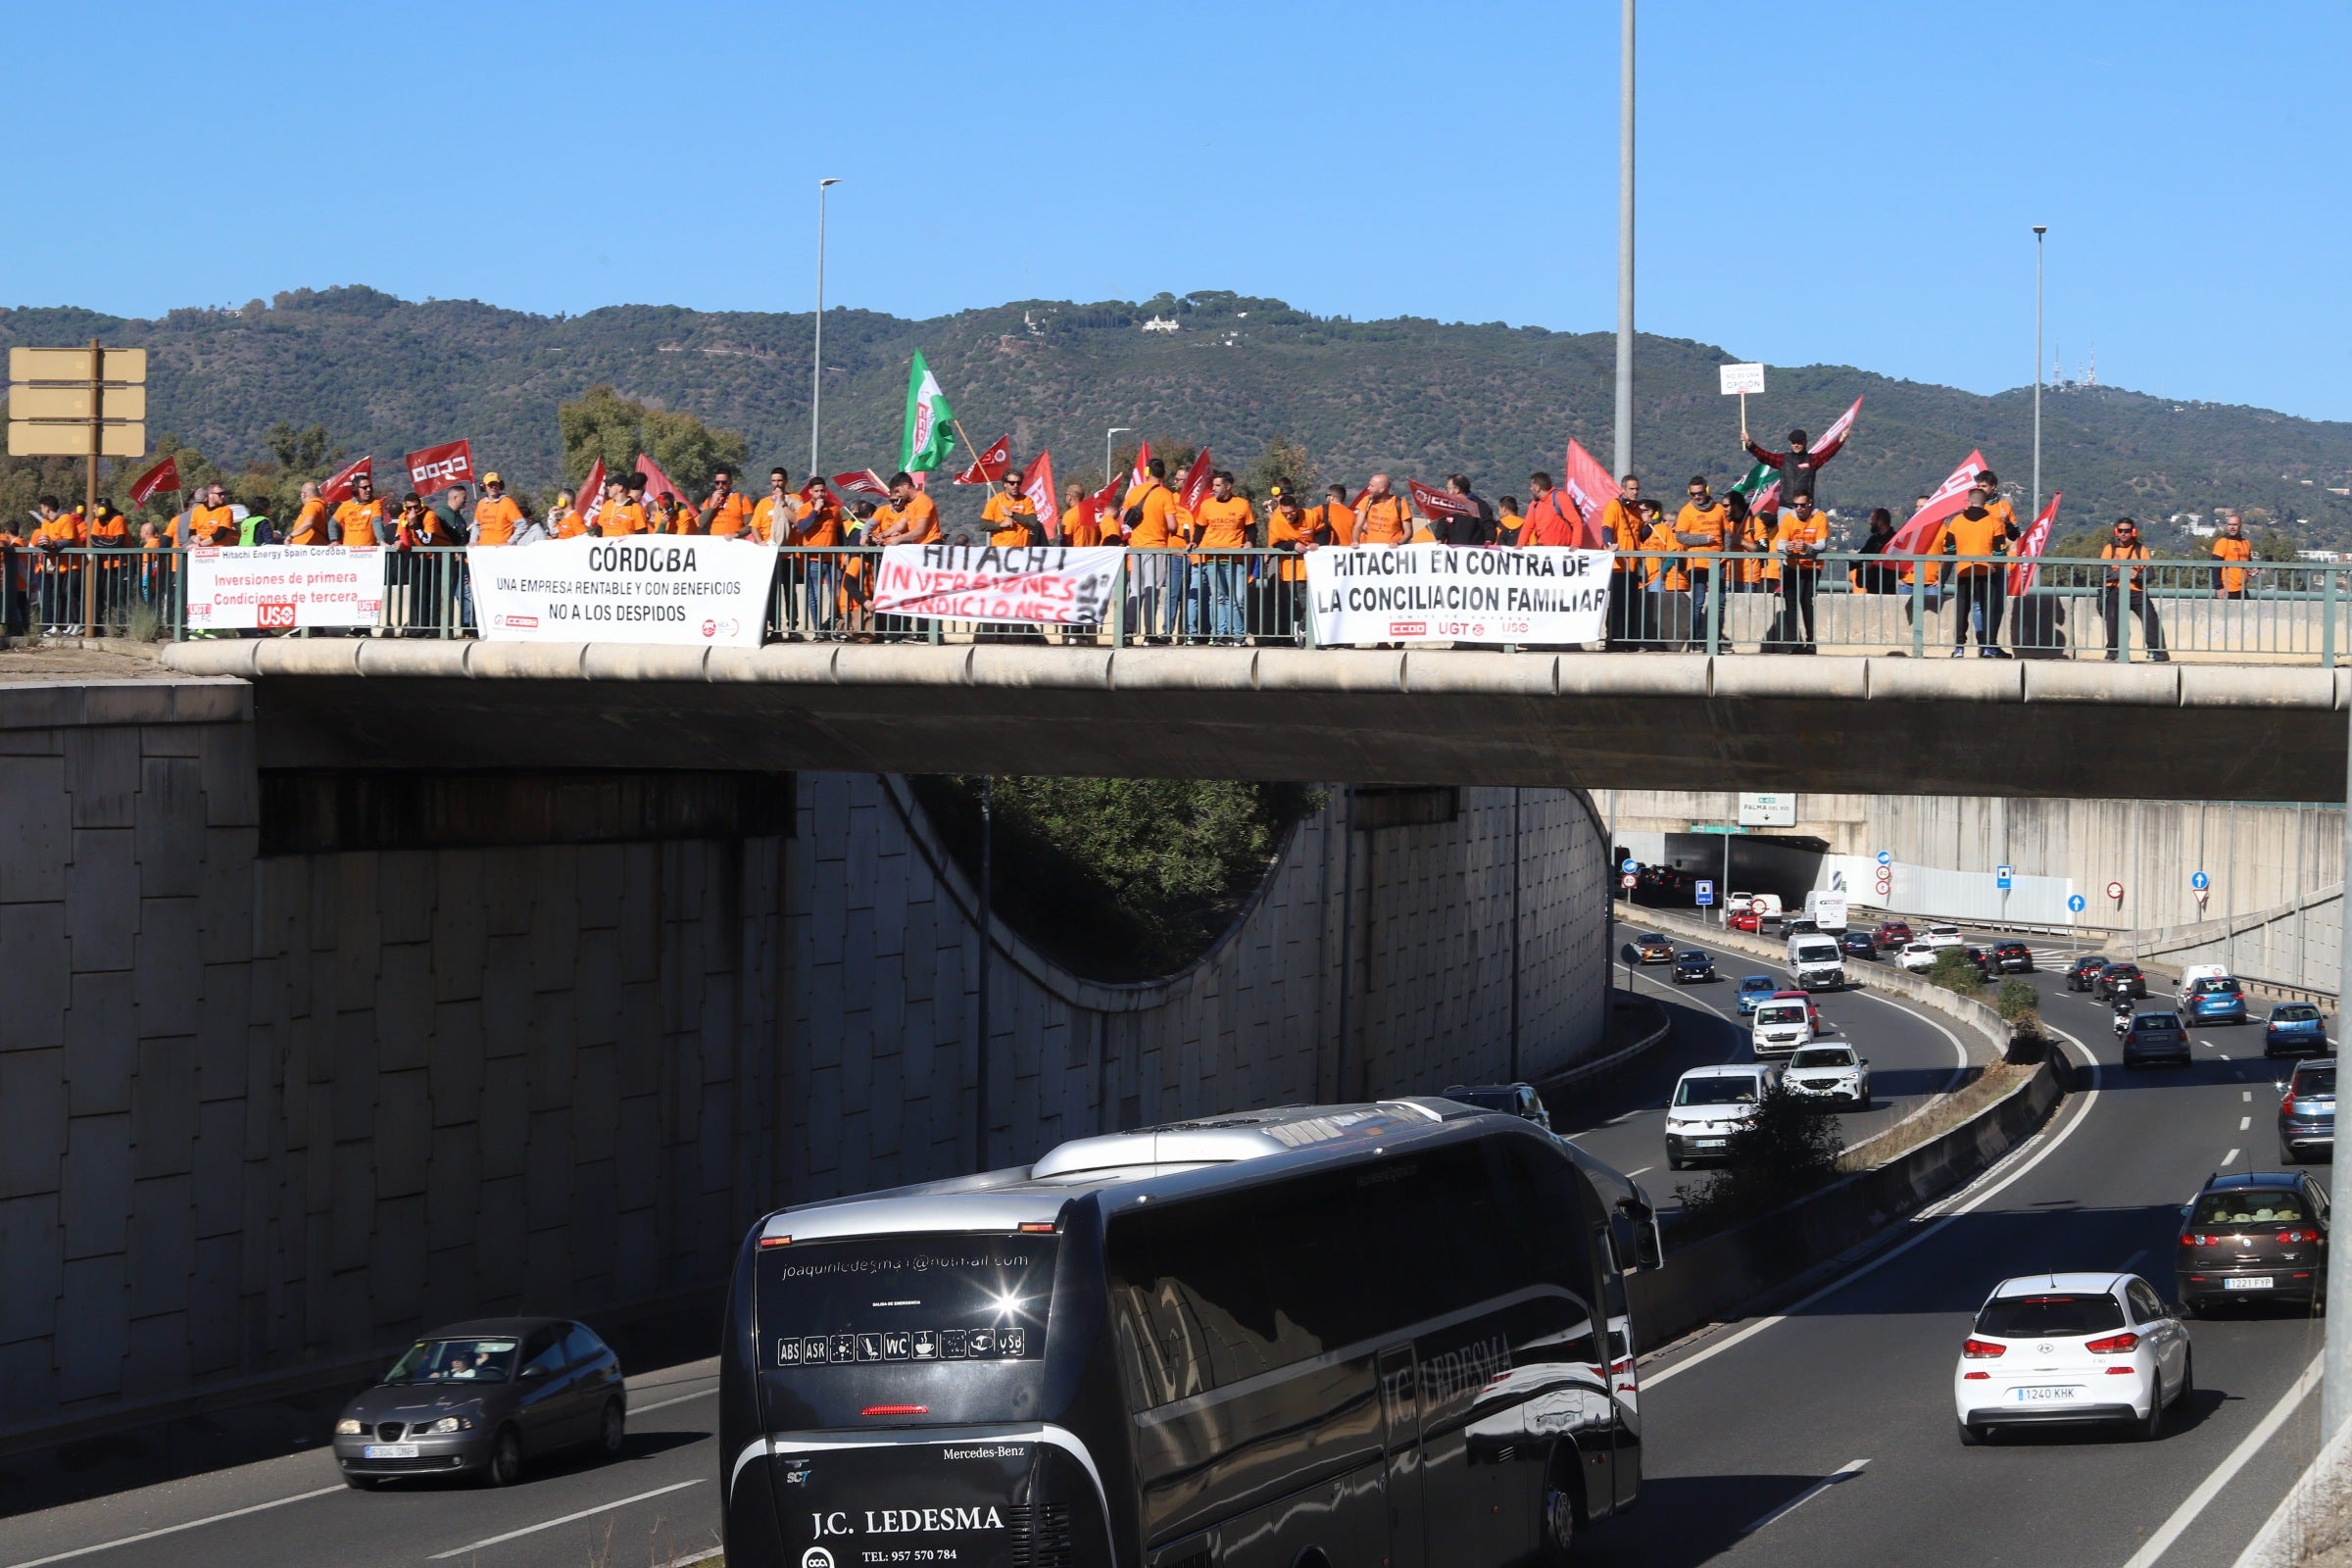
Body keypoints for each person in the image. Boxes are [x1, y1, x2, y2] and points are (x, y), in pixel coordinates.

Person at [1941, 487, 2011, 657]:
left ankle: (1959, 647)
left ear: (1969, 502)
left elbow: (1949, 547)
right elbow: (2000, 551)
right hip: (1987, 570)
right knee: (1989, 609)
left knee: (1962, 608)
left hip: (1964, 570)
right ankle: (1988, 646)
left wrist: (1945, 574)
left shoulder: (1957, 521)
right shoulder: (1994, 522)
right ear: (1984, 503)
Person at [1190, 470, 1252, 640]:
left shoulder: (1242, 504)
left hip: (1236, 559)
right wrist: (1194, 542)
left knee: (1238, 598)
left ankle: (1238, 636)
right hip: (1213, 558)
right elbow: (1200, 527)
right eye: (1213, 485)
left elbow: (1251, 528)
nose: (1214, 489)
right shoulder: (1207, 505)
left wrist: (1250, 542)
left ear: (1228, 486)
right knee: (1219, 598)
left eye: (1218, 485)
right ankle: (1219, 634)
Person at [1121, 459, 1179, 639]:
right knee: (1152, 589)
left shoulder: (1134, 492)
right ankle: (1149, 633)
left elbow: (1125, 517)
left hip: (1136, 547)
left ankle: (1128, 631)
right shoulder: (1165, 494)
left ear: (1147, 472)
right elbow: (1172, 525)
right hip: (1156, 547)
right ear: (1163, 474)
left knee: (1135, 589)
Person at [2098, 516, 2168, 662]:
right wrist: (2123, 572)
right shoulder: (2109, 548)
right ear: (2116, 531)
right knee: (2111, 618)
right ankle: (2112, 649)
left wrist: (2137, 575)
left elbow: (2150, 574)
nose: (2123, 534)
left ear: (2133, 532)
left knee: (2150, 617)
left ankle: (2154, 651)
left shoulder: (2141, 549)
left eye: (2127, 531)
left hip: (2136, 591)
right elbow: (2104, 572)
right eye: (2121, 531)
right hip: (2115, 589)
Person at [1772, 494, 1830, 653]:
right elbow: (1780, 543)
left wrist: (1807, 547)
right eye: (1796, 505)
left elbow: (1821, 544)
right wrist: (1787, 548)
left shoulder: (1820, 518)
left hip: (1811, 567)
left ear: (1810, 504)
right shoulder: (1789, 519)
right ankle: (1793, 642)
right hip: (1791, 566)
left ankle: (1811, 641)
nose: (1799, 508)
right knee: (1790, 601)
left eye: (1802, 505)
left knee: (1806, 600)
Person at [1675, 476, 1730, 639]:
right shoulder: (1686, 511)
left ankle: (1716, 638)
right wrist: (1702, 539)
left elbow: (1726, 532)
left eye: (1699, 493)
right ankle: (1697, 639)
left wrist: (1725, 554)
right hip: (1697, 562)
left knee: (1719, 603)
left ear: (1706, 490)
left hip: (1718, 562)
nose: (1697, 497)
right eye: (1693, 494)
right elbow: (1680, 536)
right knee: (1698, 603)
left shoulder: (1719, 508)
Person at [1599, 475, 1644, 644]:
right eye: (1631, 489)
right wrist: (1610, 544)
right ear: (1623, 490)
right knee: (1617, 604)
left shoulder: (1637, 511)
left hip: (1633, 566)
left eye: (1637, 489)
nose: (1635, 492)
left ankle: (1629, 640)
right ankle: (1613, 639)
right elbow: (1606, 528)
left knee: (1632, 604)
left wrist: (1647, 525)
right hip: (1618, 566)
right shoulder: (1614, 505)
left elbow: (1641, 536)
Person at [1637, 498, 1686, 650]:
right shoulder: (1636, 529)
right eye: (1640, 511)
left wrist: (1662, 573)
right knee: (1641, 612)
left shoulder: (1662, 529)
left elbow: (1672, 552)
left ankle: (1659, 642)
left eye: (1646, 510)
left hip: (1656, 577)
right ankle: (1641, 642)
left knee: (1657, 611)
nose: (1642, 514)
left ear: (1653, 512)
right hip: (1638, 578)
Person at [1743, 425, 1830, 507]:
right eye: (1793, 442)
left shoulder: (1812, 460)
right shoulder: (1783, 460)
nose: (1796, 445)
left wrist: (1841, 440)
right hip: (1786, 507)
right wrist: (1750, 444)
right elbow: (1765, 456)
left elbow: (1828, 453)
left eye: (1799, 442)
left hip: (1806, 507)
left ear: (1805, 442)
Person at [1898, 491, 1947, 627]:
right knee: (1904, 622)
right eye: (1917, 506)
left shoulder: (1942, 529)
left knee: (1934, 623)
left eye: (1922, 506)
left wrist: (1941, 578)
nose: (1918, 509)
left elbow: (1947, 555)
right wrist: (1899, 576)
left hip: (1931, 583)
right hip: (1907, 582)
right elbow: (1898, 552)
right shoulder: (1907, 528)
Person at [868, 471, 940, 546]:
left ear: (906, 486)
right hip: (920, 545)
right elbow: (901, 524)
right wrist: (882, 535)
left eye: (897, 491)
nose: (897, 495)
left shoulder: (922, 501)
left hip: (931, 544)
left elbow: (920, 530)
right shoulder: (910, 503)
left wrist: (898, 539)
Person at [1430, 473, 1495, 547]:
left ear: (1456, 490)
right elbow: (1442, 526)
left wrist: (1489, 540)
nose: (1447, 492)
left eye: (1448, 489)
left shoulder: (1479, 505)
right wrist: (1439, 539)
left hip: (1474, 551)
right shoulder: (1447, 506)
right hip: (1454, 553)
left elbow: (1488, 525)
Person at [333, 472, 391, 549]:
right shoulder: (345, 506)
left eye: (370, 487)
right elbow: (332, 524)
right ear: (355, 490)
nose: (369, 489)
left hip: (368, 552)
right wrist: (334, 540)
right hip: (348, 551)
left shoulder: (375, 503)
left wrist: (381, 540)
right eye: (365, 487)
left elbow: (377, 521)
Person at [1353, 474, 1412, 546]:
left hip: (1393, 551)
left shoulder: (1401, 503)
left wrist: (1398, 543)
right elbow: (1357, 526)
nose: (1368, 488)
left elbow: (1408, 532)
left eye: (1372, 486)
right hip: (1371, 550)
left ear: (1381, 489)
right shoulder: (1367, 501)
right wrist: (1355, 541)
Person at [980, 479, 1041, 547]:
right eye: (1012, 483)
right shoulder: (994, 501)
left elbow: (1032, 522)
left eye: (1018, 483)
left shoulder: (1027, 500)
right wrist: (1001, 525)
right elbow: (983, 525)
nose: (1016, 485)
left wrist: (1012, 514)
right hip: (1000, 549)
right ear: (1005, 484)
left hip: (1022, 549)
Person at [470, 473, 525, 546]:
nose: (493, 487)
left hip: (501, 551)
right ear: (484, 487)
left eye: (495, 484)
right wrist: (473, 541)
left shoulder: (507, 502)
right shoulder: (481, 503)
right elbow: (476, 525)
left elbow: (522, 525)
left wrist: (510, 542)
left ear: (500, 485)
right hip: (483, 550)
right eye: (490, 485)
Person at [1854, 508, 1899, 594]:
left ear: (1880, 521)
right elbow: (1861, 555)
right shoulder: (1873, 540)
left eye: (1873, 520)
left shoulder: (1894, 539)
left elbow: (1895, 562)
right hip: (1872, 585)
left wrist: (1873, 565)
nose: (1871, 523)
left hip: (1887, 585)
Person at [701, 467, 755, 539]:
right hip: (714, 543)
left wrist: (736, 534)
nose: (720, 485)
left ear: (730, 482)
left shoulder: (742, 499)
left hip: (734, 543)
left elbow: (751, 525)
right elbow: (702, 523)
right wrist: (712, 505)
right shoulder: (709, 500)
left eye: (724, 482)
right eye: (717, 483)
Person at [2213, 513, 2253, 599]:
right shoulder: (2222, 542)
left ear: (2240, 526)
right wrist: (2219, 588)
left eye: (2235, 525)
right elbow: (2215, 567)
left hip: (2243, 590)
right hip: (2227, 590)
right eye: (2230, 525)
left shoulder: (2246, 543)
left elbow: (2249, 563)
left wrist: (2253, 570)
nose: (2232, 527)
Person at [187, 482, 240, 547]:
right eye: (219, 494)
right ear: (210, 495)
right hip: (201, 552)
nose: (222, 496)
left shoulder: (226, 510)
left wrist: (200, 545)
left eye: (223, 494)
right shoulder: (197, 510)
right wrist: (195, 538)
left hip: (219, 551)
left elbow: (219, 534)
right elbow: (191, 532)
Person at [285, 481, 329, 546]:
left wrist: (291, 536)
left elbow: (308, 523)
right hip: (316, 546)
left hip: (308, 548)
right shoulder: (321, 505)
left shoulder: (311, 506)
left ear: (303, 494)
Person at [1060, 482, 1100, 548]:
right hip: (1092, 555)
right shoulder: (1093, 513)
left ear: (1069, 497)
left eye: (1066, 495)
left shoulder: (1070, 514)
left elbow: (1066, 539)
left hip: (1077, 554)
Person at [1316, 483, 1356, 547]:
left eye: (1327, 495)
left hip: (1329, 552)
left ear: (1331, 497)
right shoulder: (1353, 515)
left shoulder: (1320, 510)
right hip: (1347, 552)